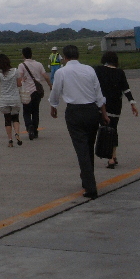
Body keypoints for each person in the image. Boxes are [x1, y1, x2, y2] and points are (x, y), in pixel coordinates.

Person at [49, 45, 108, 199]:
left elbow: (56, 91)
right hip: (92, 111)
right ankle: (87, 179)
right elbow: (98, 93)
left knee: (81, 149)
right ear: (78, 55)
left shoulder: (62, 72)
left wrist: (53, 106)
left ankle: (90, 185)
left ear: (64, 56)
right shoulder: (89, 70)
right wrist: (104, 113)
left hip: (74, 112)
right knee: (88, 146)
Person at [94, 51, 137, 169]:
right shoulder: (120, 72)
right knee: (113, 129)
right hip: (116, 105)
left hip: (102, 105)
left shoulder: (98, 70)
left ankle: (111, 158)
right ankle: (113, 155)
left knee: (105, 129)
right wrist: (132, 103)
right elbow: (126, 89)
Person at [0, 53, 24, 147]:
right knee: (16, 118)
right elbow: (19, 84)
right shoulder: (15, 71)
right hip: (15, 98)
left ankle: (10, 140)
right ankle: (17, 133)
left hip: (4, 99)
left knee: (7, 120)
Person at [18, 47, 51, 140]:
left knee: (26, 112)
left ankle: (29, 127)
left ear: (23, 55)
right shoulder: (39, 64)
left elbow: (19, 78)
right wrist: (50, 85)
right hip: (37, 91)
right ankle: (35, 131)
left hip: (27, 92)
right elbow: (46, 77)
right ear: (31, 54)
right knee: (35, 111)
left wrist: (22, 80)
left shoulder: (21, 65)